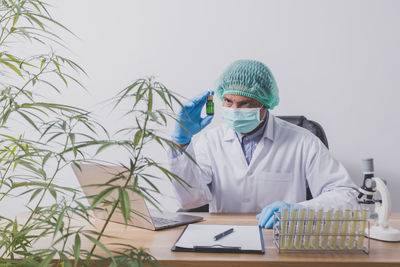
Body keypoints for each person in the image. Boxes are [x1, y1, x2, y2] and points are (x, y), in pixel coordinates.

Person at [168, 59, 359, 228]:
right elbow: (189, 200)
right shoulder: (211, 141)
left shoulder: (303, 141)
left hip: (280, 239)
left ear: (265, 104)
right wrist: (181, 143)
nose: (234, 110)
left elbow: (346, 196)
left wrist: (298, 211)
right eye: (228, 101)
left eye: (245, 103)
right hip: (225, 240)